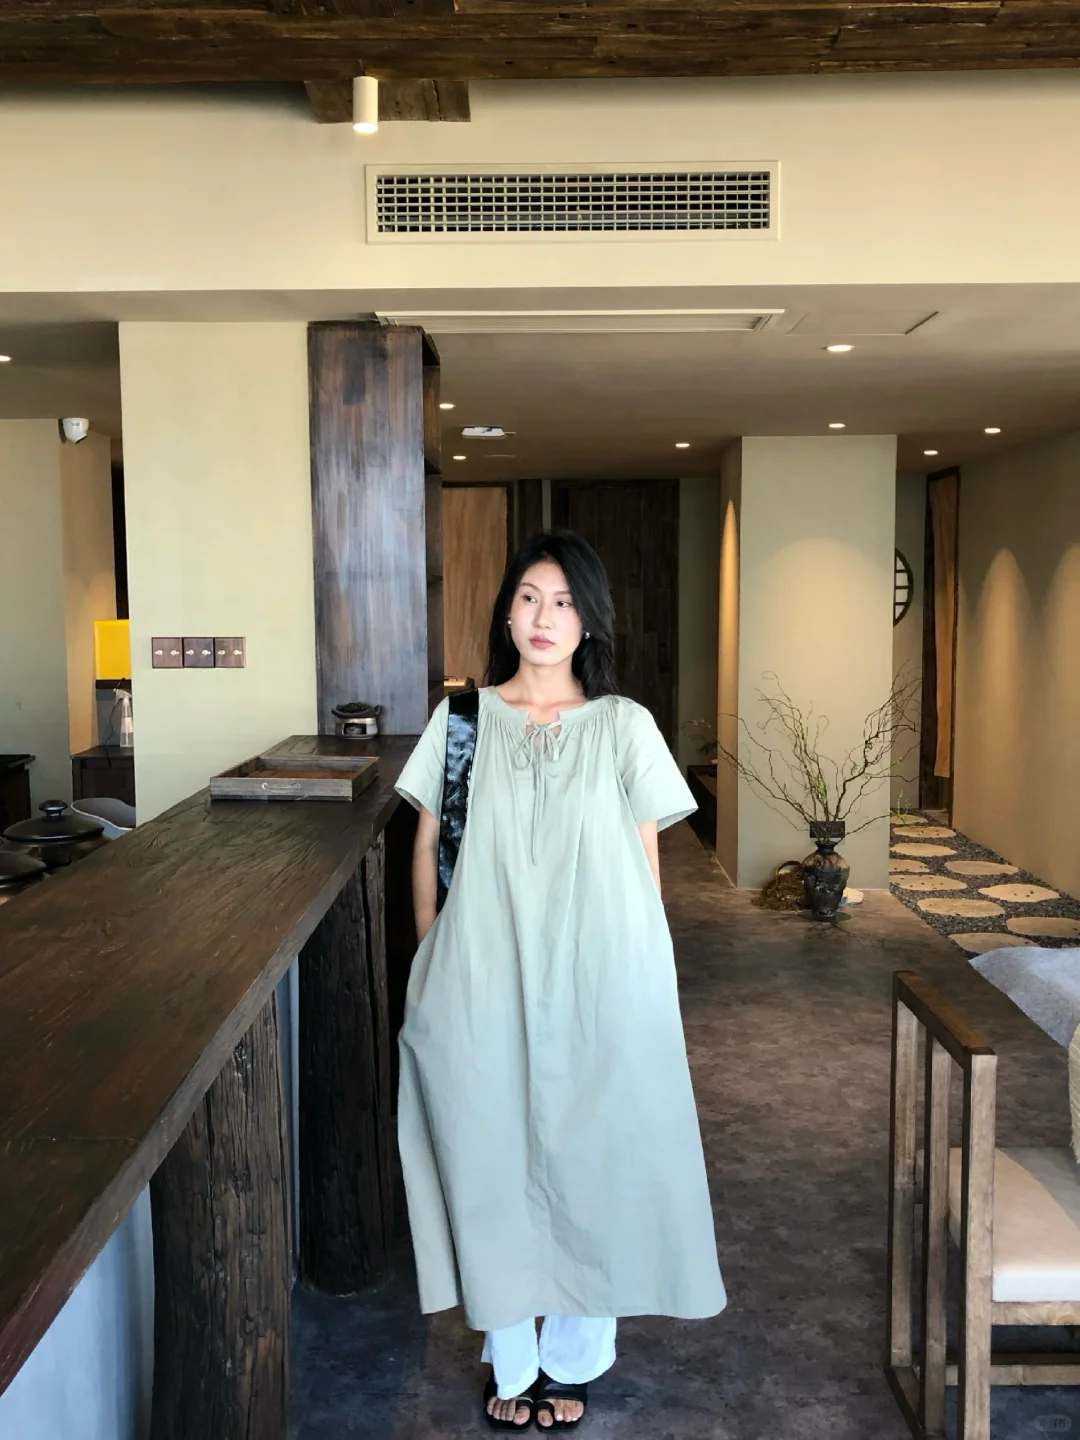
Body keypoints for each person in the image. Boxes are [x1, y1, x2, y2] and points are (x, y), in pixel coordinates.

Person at [394, 529, 726, 1431]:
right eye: (531, 597)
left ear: (590, 621)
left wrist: (648, 978)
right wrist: (431, 957)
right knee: (488, 1156)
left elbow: (647, 862)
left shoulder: (623, 724)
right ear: (507, 612)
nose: (546, 617)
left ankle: (574, 1358)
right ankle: (512, 1358)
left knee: (597, 1158)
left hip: (602, 976)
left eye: (566, 601)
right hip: (481, 975)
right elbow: (428, 842)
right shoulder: (462, 722)